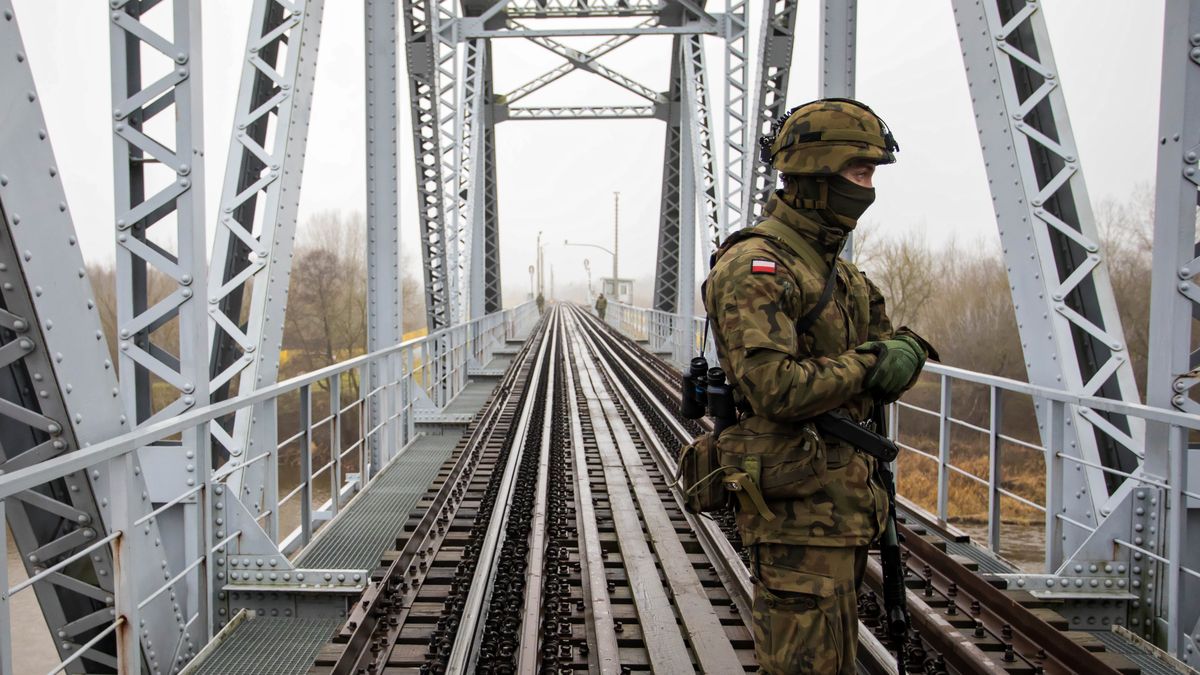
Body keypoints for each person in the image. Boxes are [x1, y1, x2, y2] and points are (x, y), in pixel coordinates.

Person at [702, 99, 936, 674]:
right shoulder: (757, 267)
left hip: (846, 504)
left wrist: (898, 355)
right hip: (797, 513)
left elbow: (885, 354)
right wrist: (872, 363)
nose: (869, 187)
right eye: (860, 173)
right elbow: (773, 388)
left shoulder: (842, 274)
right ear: (817, 174)